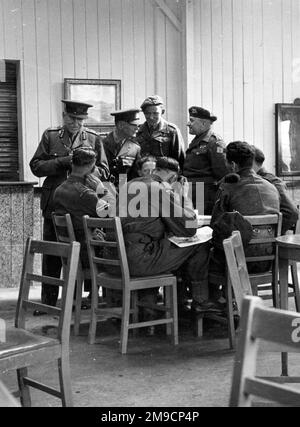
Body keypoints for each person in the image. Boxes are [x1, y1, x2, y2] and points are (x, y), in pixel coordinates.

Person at [30, 100, 109, 311]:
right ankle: (47, 301)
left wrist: (86, 170)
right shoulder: (51, 136)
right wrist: (63, 162)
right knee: (53, 253)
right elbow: (36, 167)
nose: (76, 123)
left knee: (86, 251)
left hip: (84, 205)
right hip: (55, 203)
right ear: (64, 116)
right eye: (72, 118)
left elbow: (104, 170)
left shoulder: (92, 138)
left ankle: (82, 299)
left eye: (81, 120)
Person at [120, 156, 216, 319]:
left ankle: (176, 303)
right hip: (140, 261)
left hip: (118, 258)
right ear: (173, 178)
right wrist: (184, 196)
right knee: (200, 244)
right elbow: (189, 228)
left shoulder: (129, 185)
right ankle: (201, 302)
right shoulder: (159, 189)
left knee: (173, 246)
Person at [208, 141, 281, 305]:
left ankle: (214, 304)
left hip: (238, 261)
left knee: (201, 256)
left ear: (232, 164)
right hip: (267, 261)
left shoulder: (228, 186)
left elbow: (215, 225)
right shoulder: (271, 186)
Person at [53, 147, 115, 303]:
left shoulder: (59, 190)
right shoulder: (86, 194)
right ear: (92, 168)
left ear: (72, 164)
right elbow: (114, 212)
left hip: (72, 252)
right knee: (124, 254)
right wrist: (101, 188)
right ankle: (117, 304)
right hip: (87, 255)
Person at [183, 106, 230, 215]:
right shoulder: (198, 140)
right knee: (190, 226)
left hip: (203, 194)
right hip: (192, 191)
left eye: (192, 121)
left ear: (204, 123)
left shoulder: (214, 143)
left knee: (199, 226)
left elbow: (222, 173)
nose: (188, 124)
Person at [252, 145, 298, 234]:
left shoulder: (272, 181)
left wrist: (275, 233)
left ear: (252, 162)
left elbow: (292, 212)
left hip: (267, 238)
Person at [136, 95, 185, 169]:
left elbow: (179, 158)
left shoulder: (172, 131)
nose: (151, 117)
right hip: (143, 175)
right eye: (147, 113)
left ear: (162, 112)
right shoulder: (138, 131)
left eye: (155, 113)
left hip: (163, 175)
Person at [102, 109, 141, 188]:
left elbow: (135, 178)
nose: (137, 128)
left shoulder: (135, 148)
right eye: (134, 125)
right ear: (120, 125)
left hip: (123, 192)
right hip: (102, 191)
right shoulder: (100, 143)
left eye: (138, 125)